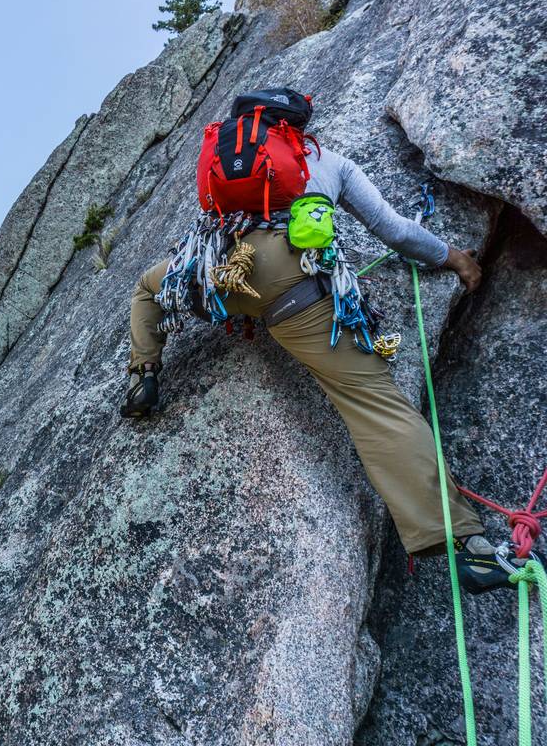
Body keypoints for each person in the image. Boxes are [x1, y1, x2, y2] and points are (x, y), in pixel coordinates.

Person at [121, 89, 527, 593]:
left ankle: (142, 377)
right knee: (375, 407)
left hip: (223, 275)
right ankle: (470, 548)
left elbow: (212, 227)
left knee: (147, 287)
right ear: (298, 125)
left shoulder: (224, 164)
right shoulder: (326, 162)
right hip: (296, 289)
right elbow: (394, 230)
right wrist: (456, 258)